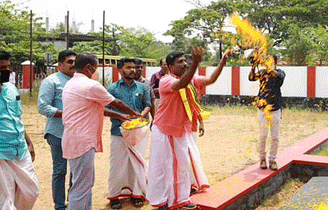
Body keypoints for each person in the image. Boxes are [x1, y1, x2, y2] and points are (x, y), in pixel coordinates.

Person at [147, 47, 226, 210]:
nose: (184, 64)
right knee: (164, 166)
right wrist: (195, 63)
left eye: (185, 61)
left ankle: (177, 200)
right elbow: (180, 84)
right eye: (180, 62)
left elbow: (211, 79)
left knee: (180, 164)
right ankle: (167, 201)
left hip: (179, 129)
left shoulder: (190, 79)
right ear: (169, 67)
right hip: (165, 130)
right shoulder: (166, 80)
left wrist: (222, 61)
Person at [61, 53, 138, 210]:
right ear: (89, 68)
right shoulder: (90, 85)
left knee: (84, 184)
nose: (97, 72)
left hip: (73, 139)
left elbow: (99, 109)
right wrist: (134, 114)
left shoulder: (71, 83)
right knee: (81, 187)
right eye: (96, 68)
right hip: (82, 141)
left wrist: (122, 117)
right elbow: (115, 102)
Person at [107, 58, 152, 209]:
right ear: (120, 70)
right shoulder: (112, 89)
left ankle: (137, 194)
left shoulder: (142, 87)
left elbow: (148, 105)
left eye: (134, 67)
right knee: (117, 165)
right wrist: (122, 118)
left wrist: (141, 115)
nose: (132, 70)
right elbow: (106, 109)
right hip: (118, 132)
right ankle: (114, 196)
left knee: (137, 164)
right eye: (128, 68)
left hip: (139, 132)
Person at [184, 49, 231, 194]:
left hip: (190, 126)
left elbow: (210, 79)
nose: (190, 69)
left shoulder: (195, 80)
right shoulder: (171, 81)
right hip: (175, 127)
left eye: (192, 66)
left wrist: (222, 62)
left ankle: (191, 184)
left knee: (191, 155)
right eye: (186, 66)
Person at [38, 50, 77, 210]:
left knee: (76, 171)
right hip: (57, 133)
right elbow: (43, 107)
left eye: (75, 61)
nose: (73, 64)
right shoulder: (51, 81)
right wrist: (67, 113)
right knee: (60, 171)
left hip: (77, 134)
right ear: (60, 65)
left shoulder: (79, 81)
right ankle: (60, 206)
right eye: (69, 62)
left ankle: (74, 203)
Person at [0, 50, 39, 210]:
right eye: (1, 68)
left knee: (31, 192)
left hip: (20, 149)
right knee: (5, 199)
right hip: (1, 152)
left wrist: (29, 142)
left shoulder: (11, 88)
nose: (5, 71)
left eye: (7, 67)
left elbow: (17, 118)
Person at [249, 54, 286, 171]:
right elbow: (251, 77)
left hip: (275, 109)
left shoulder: (280, 73)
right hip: (262, 109)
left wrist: (265, 64)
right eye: (266, 61)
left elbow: (276, 75)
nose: (268, 63)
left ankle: (272, 159)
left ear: (275, 63)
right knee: (263, 136)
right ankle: (262, 159)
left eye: (270, 61)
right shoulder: (263, 72)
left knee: (275, 137)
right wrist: (254, 66)